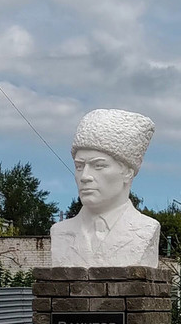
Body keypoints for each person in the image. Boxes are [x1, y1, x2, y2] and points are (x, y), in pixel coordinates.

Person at [50, 109, 161, 268]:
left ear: (128, 172)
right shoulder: (60, 232)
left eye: (99, 165)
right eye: (79, 166)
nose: (85, 176)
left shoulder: (145, 230)